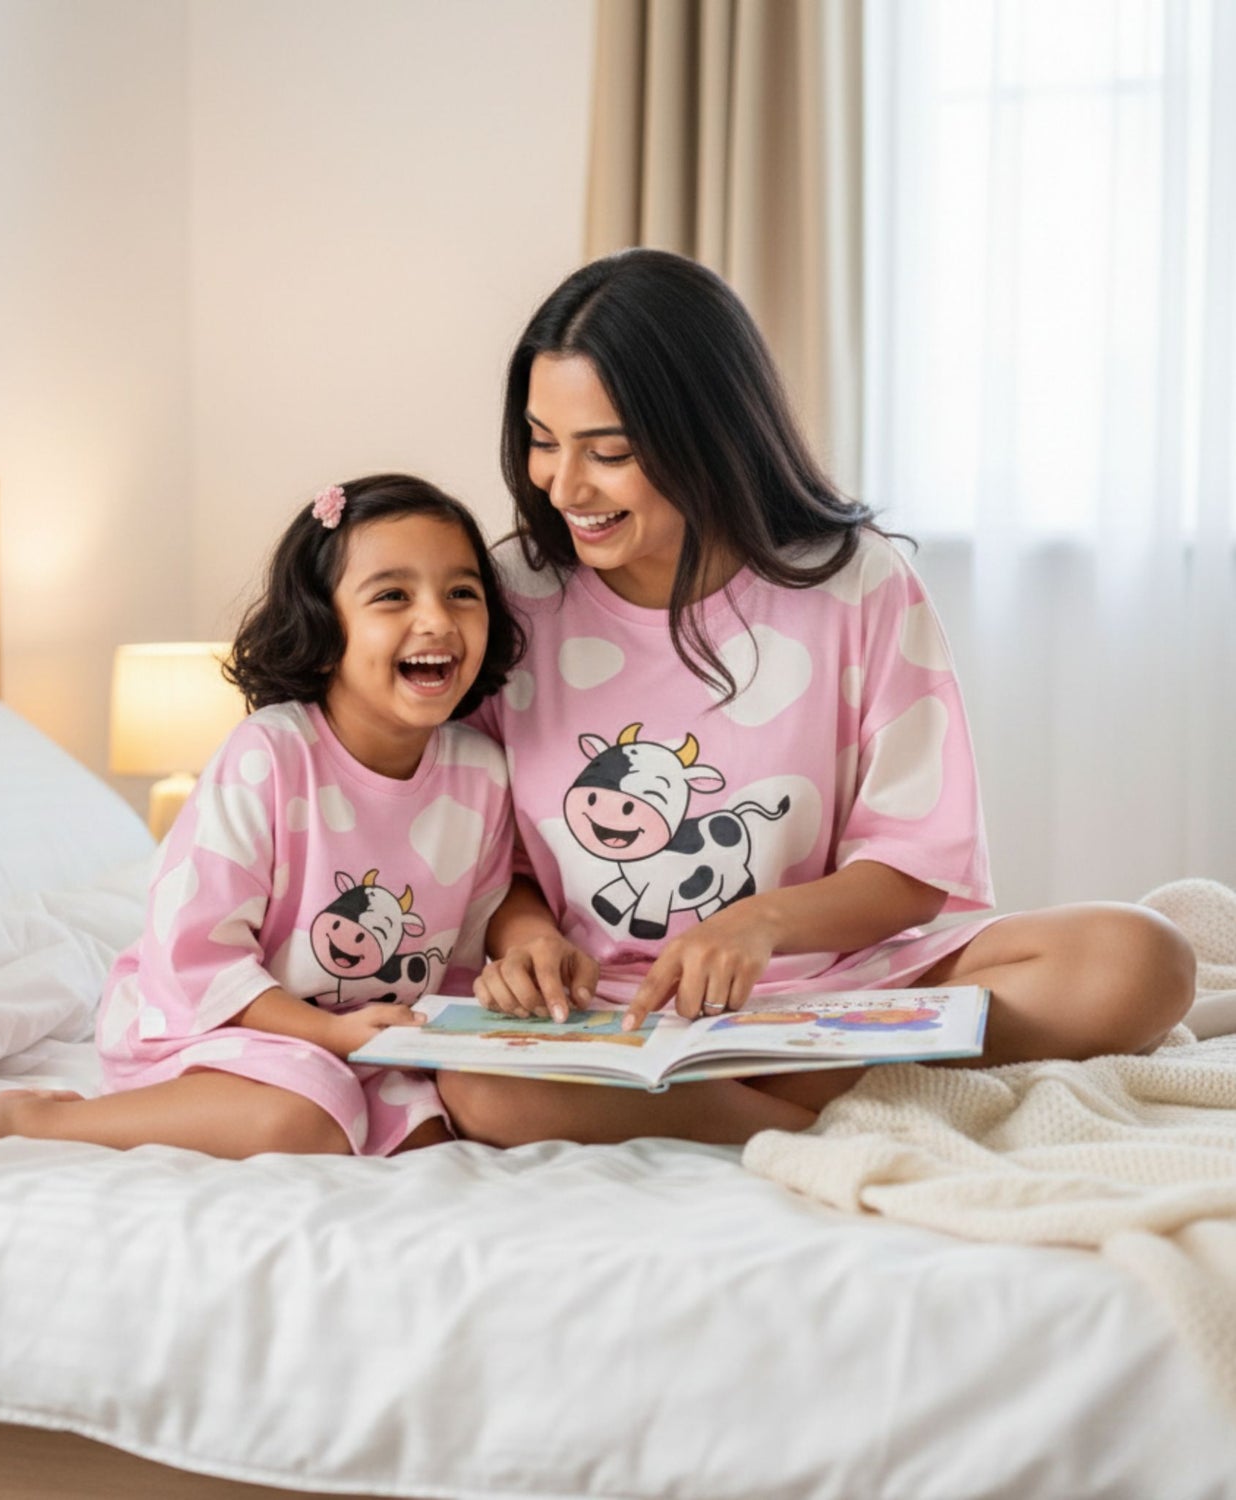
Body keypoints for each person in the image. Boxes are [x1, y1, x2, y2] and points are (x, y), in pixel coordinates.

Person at [438, 248, 1195, 1148]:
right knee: (482, 1090)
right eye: (541, 441)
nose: (563, 487)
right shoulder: (508, 598)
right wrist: (525, 943)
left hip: (842, 984)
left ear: (708, 431)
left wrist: (759, 924)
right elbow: (489, 854)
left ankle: (743, 1094)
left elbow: (917, 865)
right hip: (609, 1004)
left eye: (611, 452)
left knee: (1141, 959)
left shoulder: (854, 581)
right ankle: (828, 1107)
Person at [0, 474, 524, 1158]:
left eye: (462, 592)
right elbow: (196, 958)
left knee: (435, 1143)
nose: (436, 618)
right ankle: (35, 1121)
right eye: (392, 595)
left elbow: (462, 956)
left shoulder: (481, 773)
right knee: (306, 1119)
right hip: (218, 1022)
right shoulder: (271, 754)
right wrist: (327, 1037)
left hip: (369, 1037)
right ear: (323, 625)